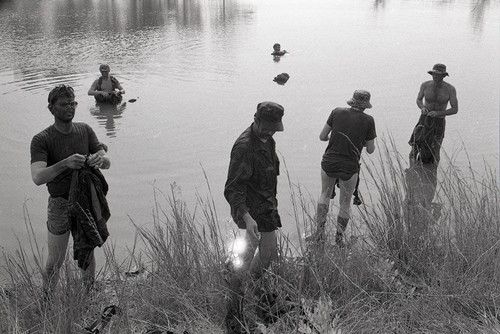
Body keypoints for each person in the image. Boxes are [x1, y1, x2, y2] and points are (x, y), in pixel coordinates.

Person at [30, 85, 111, 296]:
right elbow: (38, 177)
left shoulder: (85, 130)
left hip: (84, 201)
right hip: (59, 203)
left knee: (86, 251)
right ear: (51, 108)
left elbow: (107, 161)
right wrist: (64, 163)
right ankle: (46, 299)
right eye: (64, 104)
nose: (70, 108)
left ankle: (89, 294)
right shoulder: (42, 139)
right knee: (55, 260)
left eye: (73, 103)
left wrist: (98, 159)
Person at [224, 101, 284, 333]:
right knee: (243, 264)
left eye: (274, 127)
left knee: (269, 256)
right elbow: (232, 188)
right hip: (250, 211)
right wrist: (247, 218)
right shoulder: (243, 147)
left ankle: (261, 300)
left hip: (267, 207)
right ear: (256, 120)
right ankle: (234, 317)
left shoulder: (268, 140)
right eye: (266, 126)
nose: (270, 131)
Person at [308, 90, 376, 246]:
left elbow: (322, 137)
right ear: (366, 105)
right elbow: (371, 149)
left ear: (352, 101)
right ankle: (338, 240)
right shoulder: (368, 120)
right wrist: (362, 141)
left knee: (324, 195)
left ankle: (319, 234)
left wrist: (335, 137)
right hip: (349, 166)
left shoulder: (336, 112)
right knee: (345, 203)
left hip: (329, 161)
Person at [407, 64, 458, 205]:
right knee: (415, 145)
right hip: (424, 119)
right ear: (432, 74)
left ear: (443, 76)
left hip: (439, 122)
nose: (436, 77)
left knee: (435, 149)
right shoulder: (425, 85)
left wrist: (439, 113)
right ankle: (412, 173)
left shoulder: (450, 89)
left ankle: (431, 176)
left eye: (439, 75)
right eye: (434, 74)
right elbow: (418, 100)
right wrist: (422, 107)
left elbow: (455, 109)